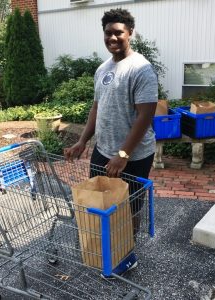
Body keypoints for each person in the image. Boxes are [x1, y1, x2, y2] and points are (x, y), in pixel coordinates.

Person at [64, 8, 158, 232]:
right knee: (100, 201)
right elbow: (97, 107)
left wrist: (123, 155)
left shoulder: (141, 69)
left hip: (134, 156)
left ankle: (127, 253)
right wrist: (83, 141)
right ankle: (105, 247)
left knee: (129, 207)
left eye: (118, 32)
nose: (112, 38)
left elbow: (146, 116)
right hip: (103, 150)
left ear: (130, 32)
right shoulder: (102, 69)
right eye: (108, 33)